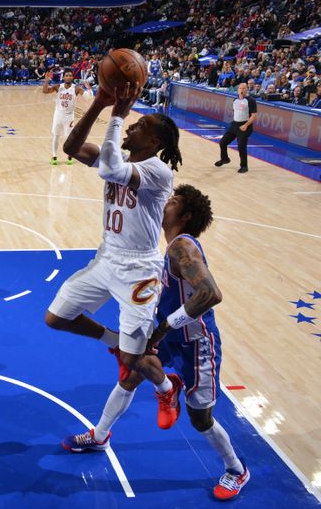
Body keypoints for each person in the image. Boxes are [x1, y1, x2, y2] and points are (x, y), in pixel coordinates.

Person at [63, 184, 250, 501]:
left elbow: (211, 294)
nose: (166, 202)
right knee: (130, 374)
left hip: (196, 344)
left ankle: (236, 469)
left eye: (174, 201)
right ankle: (100, 435)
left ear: (186, 215)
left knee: (199, 418)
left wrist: (162, 327)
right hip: (169, 337)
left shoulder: (182, 247)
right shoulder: (170, 248)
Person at [45, 83, 184, 440]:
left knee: (138, 359)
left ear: (153, 143)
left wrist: (119, 114)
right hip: (106, 257)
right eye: (132, 123)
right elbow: (71, 148)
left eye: (141, 127)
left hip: (139, 271)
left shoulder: (158, 171)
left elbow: (108, 168)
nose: (132, 127)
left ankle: (167, 387)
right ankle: (116, 343)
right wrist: (99, 105)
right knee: (56, 317)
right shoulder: (121, 159)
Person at [41, 69, 87, 166]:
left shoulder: (76, 88)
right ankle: (54, 156)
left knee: (69, 138)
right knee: (56, 135)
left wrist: (89, 88)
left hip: (69, 116)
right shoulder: (58, 87)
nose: (69, 77)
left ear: (72, 77)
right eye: (67, 75)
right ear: (64, 77)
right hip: (58, 114)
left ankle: (70, 155)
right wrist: (47, 81)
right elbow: (45, 91)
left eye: (70, 75)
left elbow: (88, 96)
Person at [215, 83, 257, 174]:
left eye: (244, 88)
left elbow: (254, 116)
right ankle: (225, 159)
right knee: (223, 142)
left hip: (245, 126)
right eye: (240, 88)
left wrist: (246, 125)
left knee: (241, 146)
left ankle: (244, 166)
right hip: (234, 125)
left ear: (247, 89)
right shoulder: (235, 100)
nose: (242, 90)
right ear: (238, 90)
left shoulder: (251, 100)